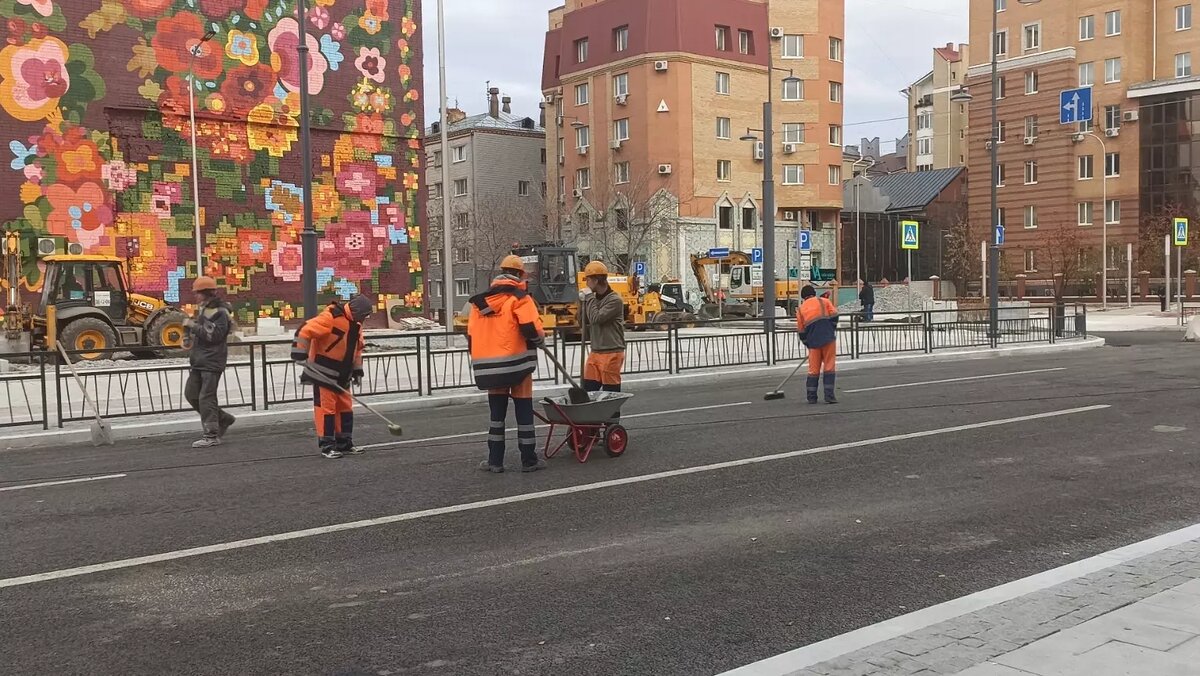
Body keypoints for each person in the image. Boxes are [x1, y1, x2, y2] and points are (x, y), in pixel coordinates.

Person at [467, 255, 547, 473]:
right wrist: (540, 341)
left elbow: (471, 335)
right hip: (518, 365)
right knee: (523, 413)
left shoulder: (478, 303)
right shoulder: (520, 298)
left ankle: (495, 461)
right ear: (520, 274)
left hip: (490, 367)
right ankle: (529, 460)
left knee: (496, 416)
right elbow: (531, 328)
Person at [291, 295, 372, 459]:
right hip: (324, 373)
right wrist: (299, 352)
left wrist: (357, 370)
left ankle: (345, 443)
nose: (364, 319)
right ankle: (327, 446)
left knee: (345, 409)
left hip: (343, 374)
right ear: (356, 311)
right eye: (364, 316)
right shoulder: (330, 317)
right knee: (326, 410)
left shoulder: (356, 324)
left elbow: (358, 349)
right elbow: (304, 330)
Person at [184, 276, 235, 448]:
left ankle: (211, 434)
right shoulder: (205, 310)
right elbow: (204, 332)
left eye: (198, 293)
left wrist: (193, 327)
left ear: (206, 293)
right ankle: (223, 419)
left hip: (212, 361)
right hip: (200, 360)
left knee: (206, 398)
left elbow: (214, 336)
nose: (195, 296)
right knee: (191, 394)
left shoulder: (221, 312)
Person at [579, 261, 626, 398]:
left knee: (610, 394)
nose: (586, 283)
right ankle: (592, 419)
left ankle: (611, 420)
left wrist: (589, 298)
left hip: (611, 352)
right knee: (589, 391)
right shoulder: (592, 300)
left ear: (595, 280)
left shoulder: (614, 300)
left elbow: (596, 318)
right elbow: (583, 321)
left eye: (588, 279)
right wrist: (582, 304)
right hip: (596, 351)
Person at [797, 284, 839, 404]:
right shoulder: (824, 301)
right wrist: (832, 328)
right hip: (828, 338)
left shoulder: (800, 309)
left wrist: (808, 344)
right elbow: (835, 315)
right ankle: (829, 396)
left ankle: (811, 397)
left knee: (813, 370)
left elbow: (801, 331)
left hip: (813, 343)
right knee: (829, 367)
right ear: (814, 293)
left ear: (803, 297)